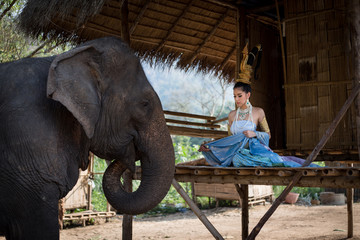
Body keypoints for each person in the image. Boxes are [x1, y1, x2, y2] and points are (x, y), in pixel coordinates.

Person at [199, 44, 318, 168]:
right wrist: (211, 147)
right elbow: (230, 140)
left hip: (255, 150)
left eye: (239, 95)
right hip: (237, 153)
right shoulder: (232, 115)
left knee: (280, 161)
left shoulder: (258, 112)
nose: (236, 99)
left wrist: (254, 134)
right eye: (234, 96)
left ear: (248, 95)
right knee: (236, 157)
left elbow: (268, 134)